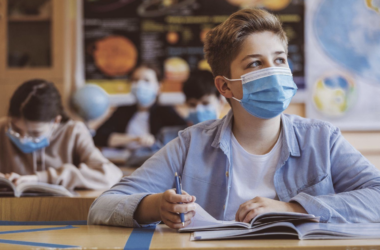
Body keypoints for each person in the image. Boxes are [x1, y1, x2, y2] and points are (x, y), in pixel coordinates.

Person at [88, 9, 380, 228]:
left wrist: (294, 208)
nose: (274, 71)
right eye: (255, 63)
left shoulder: (322, 139)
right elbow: (102, 206)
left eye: (279, 60)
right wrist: (154, 207)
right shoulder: (191, 145)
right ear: (225, 86)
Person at [0, 79, 123, 190]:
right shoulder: (2, 127)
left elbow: (109, 175)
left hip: (61, 211)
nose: (22, 138)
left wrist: (42, 178)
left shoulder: (73, 132)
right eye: (16, 128)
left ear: (55, 121)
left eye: (35, 133)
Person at [93, 63, 187, 149]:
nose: (139, 84)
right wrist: (134, 139)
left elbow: (183, 135)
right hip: (124, 162)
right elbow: (99, 137)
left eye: (146, 80)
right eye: (135, 80)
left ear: (158, 87)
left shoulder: (166, 111)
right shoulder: (122, 111)